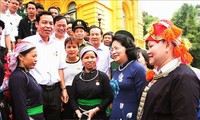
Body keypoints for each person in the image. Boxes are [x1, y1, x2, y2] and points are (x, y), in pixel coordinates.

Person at [137, 19, 200, 120]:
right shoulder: (161, 74)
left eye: (151, 46)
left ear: (167, 45)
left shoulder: (184, 77)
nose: (148, 52)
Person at [23, 11, 68, 120]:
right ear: (37, 24)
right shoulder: (27, 43)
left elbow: (60, 68)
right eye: (44, 22)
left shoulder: (57, 45)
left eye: (50, 23)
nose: (48, 26)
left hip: (54, 91)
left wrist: (63, 89)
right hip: (35, 90)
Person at [109, 30, 146, 120]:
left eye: (116, 48)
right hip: (115, 114)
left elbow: (143, 98)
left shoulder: (138, 69)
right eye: (112, 49)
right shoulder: (118, 69)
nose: (113, 52)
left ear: (127, 48)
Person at [70, 46, 113, 120]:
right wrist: (78, 113)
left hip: (99, 114)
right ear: (82, 60)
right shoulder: (77, 78)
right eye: (86, 58)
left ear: (96, 59)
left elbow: (108, 97)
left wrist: (95, 110)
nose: (90, 60)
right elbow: (72, 98)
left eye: (92, 57)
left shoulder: (103, 76)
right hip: (81, 114)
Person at [8, 41, 43, 120]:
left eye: (36, 56)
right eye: (33, 56)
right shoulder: (18, 77)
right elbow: (20, 108)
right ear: (21, 57)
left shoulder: (26, 74)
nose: (36, 59)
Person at [61, 37, 83, 119]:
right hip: (66, 94)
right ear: (65, 48)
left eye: (74, 47)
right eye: (69, 47)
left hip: (80, 93)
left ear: (78, 48)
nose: (71, 49)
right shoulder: (61, 63)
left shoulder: (83, 62)